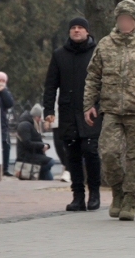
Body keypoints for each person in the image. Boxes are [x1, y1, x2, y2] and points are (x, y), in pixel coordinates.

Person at [84, 0, 135, 222]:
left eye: (128, 19)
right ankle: (117, 191)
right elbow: (93, 77)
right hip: (111, 110)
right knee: (108, 153)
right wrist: (89, 104)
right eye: (121, 19)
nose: (124, 23)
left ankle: (130, 199)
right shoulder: (105, 45)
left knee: (134, 158)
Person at [43, 17, 102, 212]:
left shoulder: (97, 53)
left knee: (91, 152)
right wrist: (49, 110)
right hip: (68, 111)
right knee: (73, 155)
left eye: (80, 28)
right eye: (73, 28)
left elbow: (104, 82)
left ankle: (94, 193)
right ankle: (78, 196)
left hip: (90, 111)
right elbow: (51, 85)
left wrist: (99, 105)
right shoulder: (60, 55)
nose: (76, 31)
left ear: (87, 31)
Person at [16, 104, 56, 180]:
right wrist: (42, 146)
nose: (40, 120)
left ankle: (45, 179)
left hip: (33, 154)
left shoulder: (32, 125)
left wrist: (46, 145)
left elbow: (37, 141)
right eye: (40, 117)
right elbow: (27, 143)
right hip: (26, 156)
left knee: (47, 169)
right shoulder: (25, 125)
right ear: (36, 116)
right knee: (50, 162)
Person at [0, 72, 15, 177]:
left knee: (6, 145)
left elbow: (10, 103)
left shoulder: (5, 92)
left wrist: (3, 92)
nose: (1, 83)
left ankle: (5, 168)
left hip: (3, 123)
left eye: (3, 81)